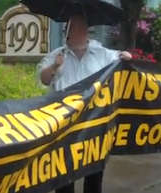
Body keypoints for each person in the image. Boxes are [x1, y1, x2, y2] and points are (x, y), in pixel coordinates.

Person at [37, 13, 132, 193]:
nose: (80, 31)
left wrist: (126, 55)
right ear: (68, 32)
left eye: (83, 27)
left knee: (94, 174)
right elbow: (44, 80)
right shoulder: (57, 55)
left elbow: (121, 57)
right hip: (66, 124)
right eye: (75, 27)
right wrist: (54, 66)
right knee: (64, 173)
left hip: (93, 122)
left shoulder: (102, 54)